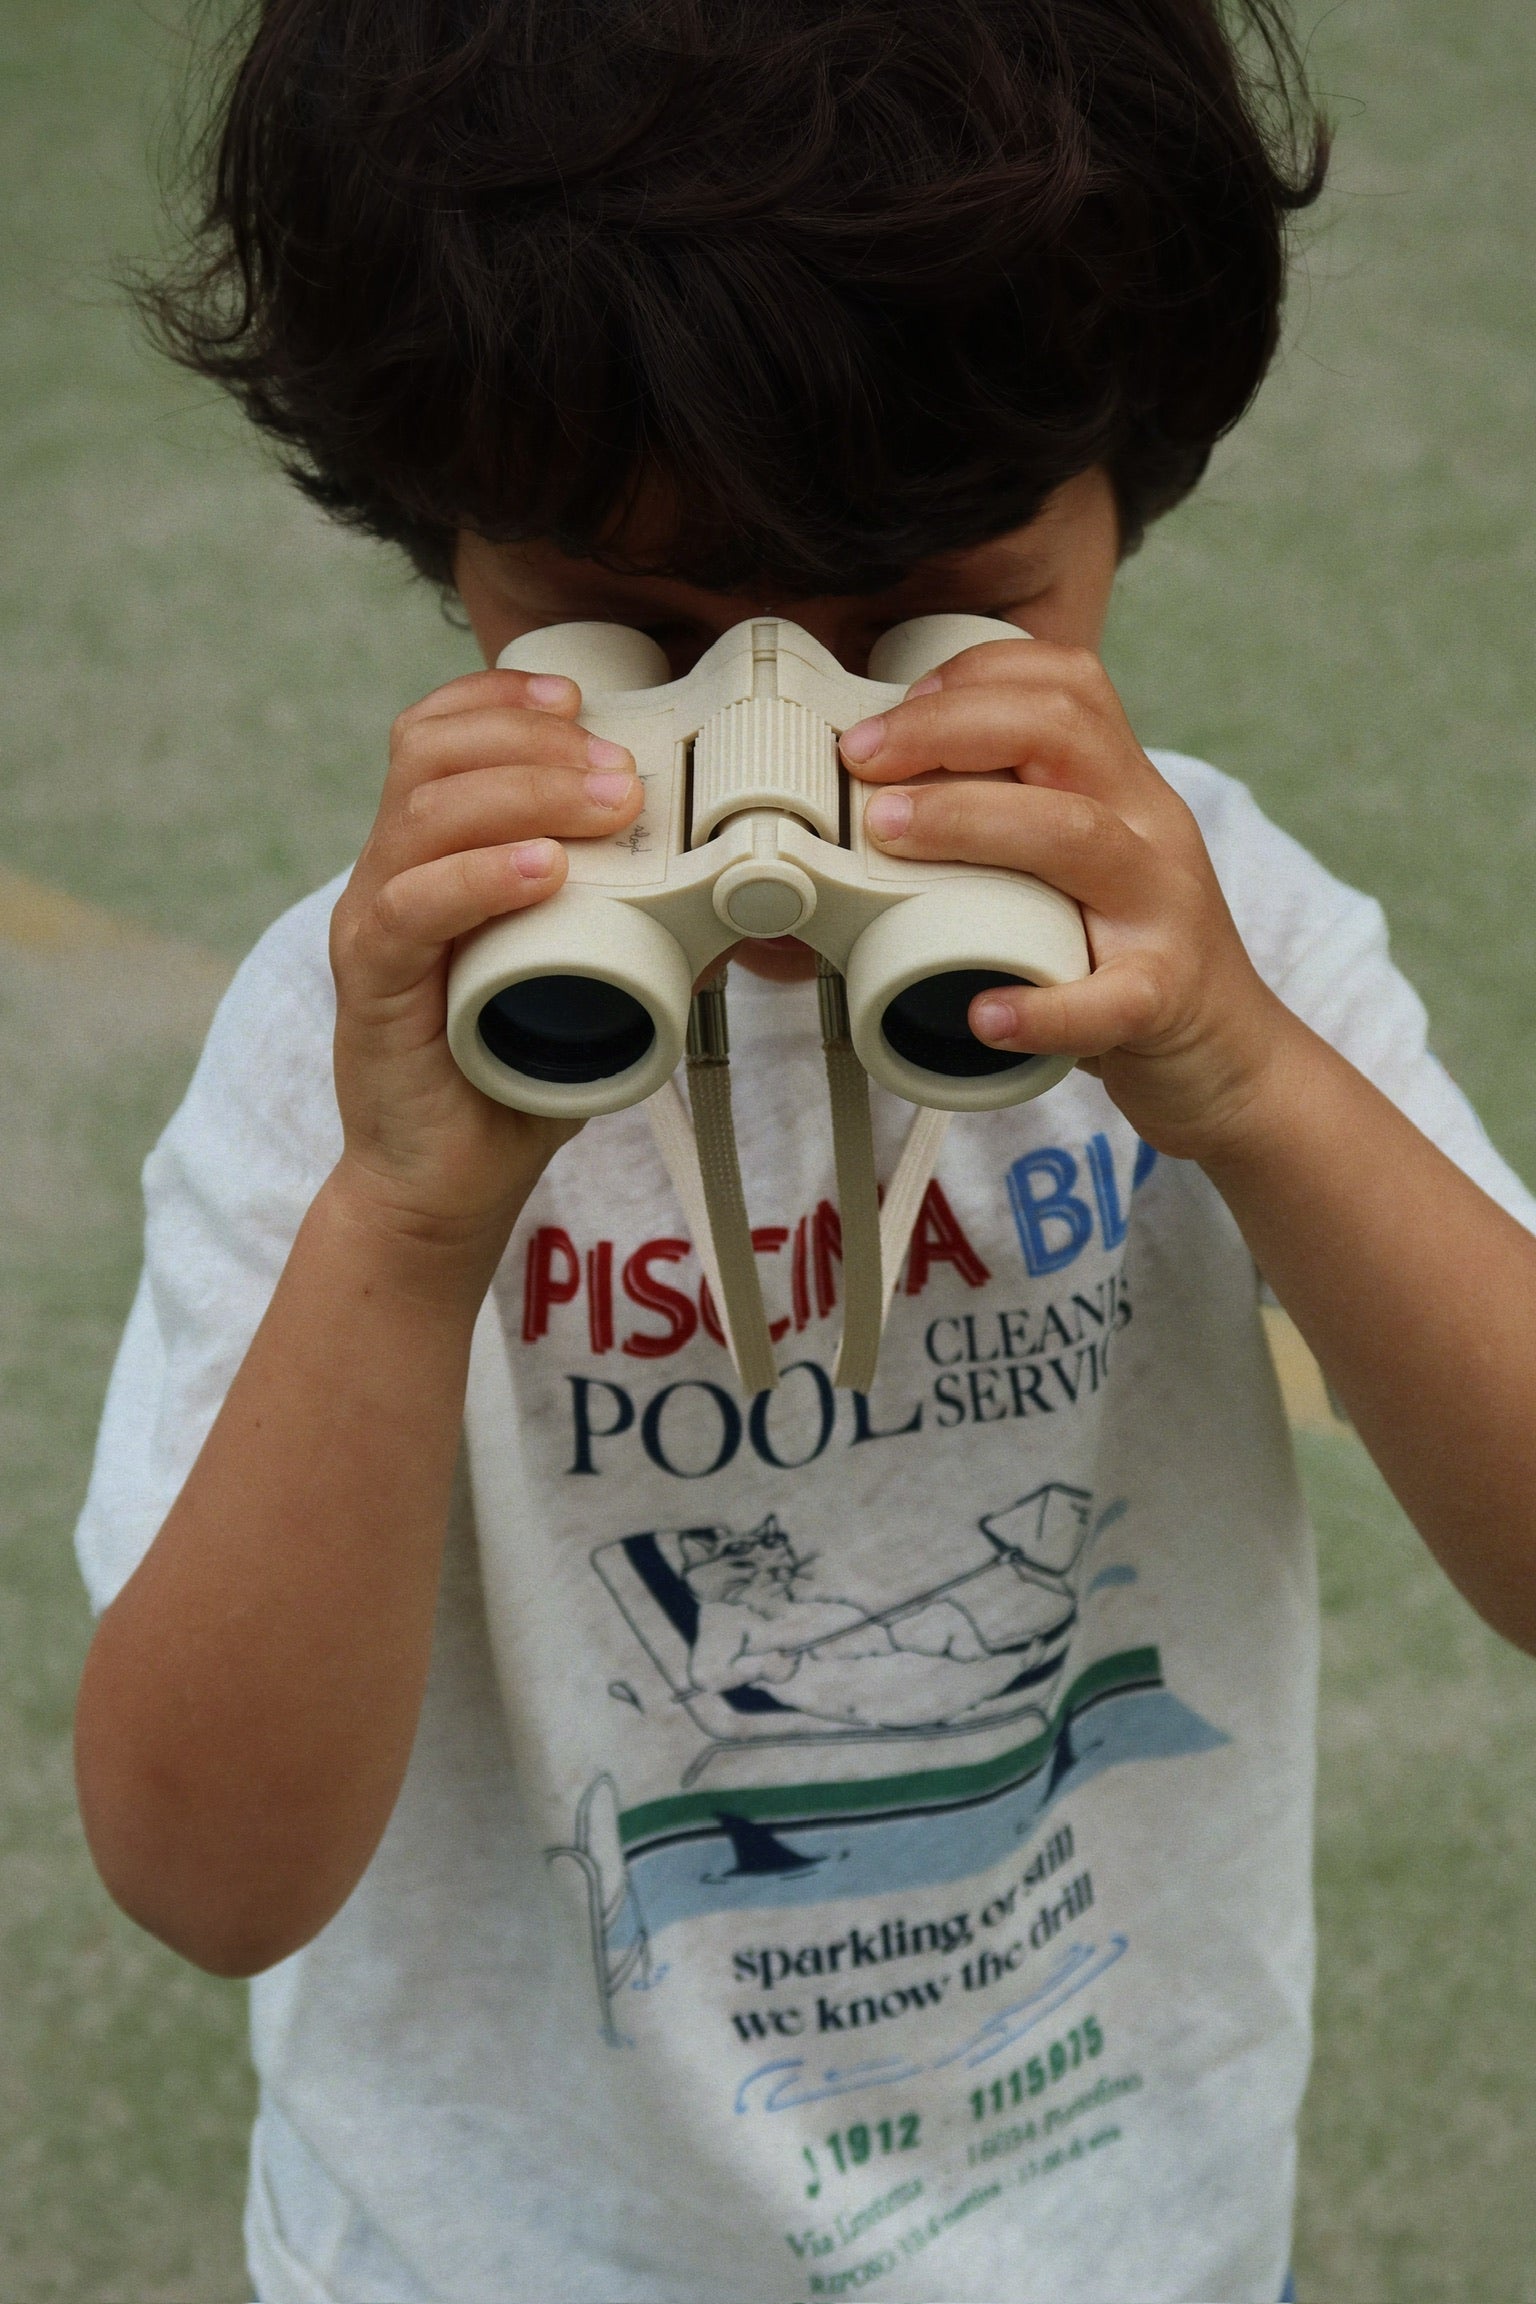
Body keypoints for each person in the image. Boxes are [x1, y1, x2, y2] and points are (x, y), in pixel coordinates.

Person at [69, 2, 1536, 2299]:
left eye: (930, 624)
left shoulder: (1206, 934)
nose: (783, 738)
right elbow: (204, 1867)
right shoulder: (356, 1043)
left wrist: (1244, 1074)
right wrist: (402, 1214)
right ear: (435, 533)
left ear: (1123, 493)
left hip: (1107, 2246)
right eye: (632, 641)